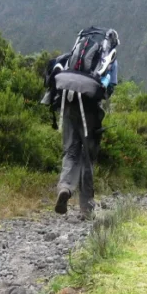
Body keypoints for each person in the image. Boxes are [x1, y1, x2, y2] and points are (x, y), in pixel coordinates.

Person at [53, 27, 120, 220]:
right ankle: (86, 207)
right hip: (89, 108)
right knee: (88, 155)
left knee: (71, 151)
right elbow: (109, 90)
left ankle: (65, 187)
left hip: (68, 100)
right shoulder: (109, 58)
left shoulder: (77, 52)